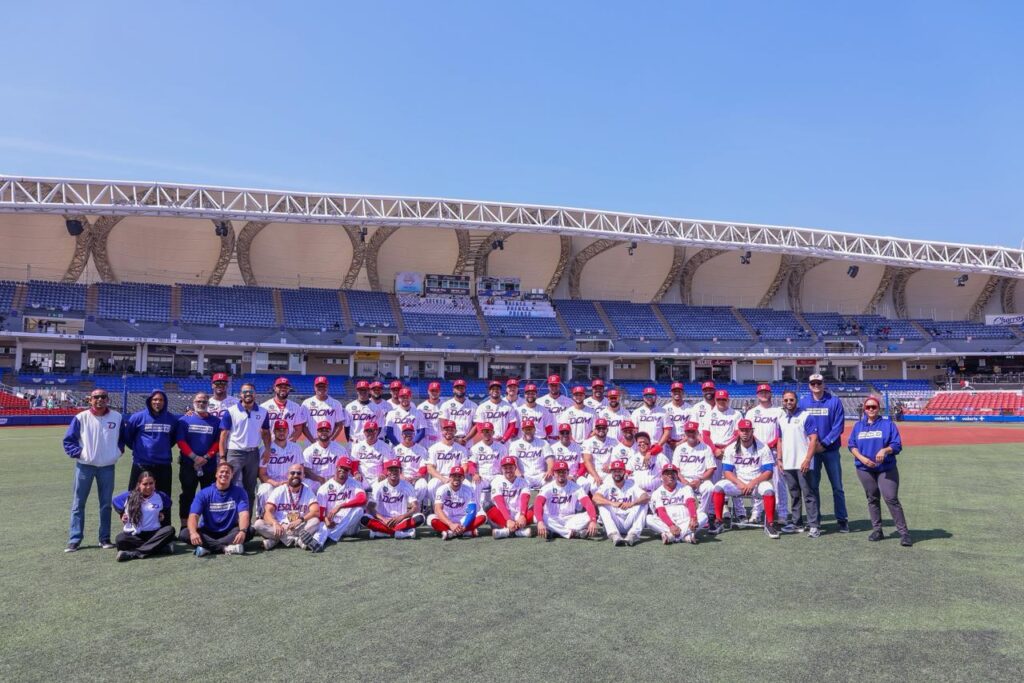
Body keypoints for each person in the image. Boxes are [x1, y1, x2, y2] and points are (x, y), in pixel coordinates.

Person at [62, 388, 125, 552]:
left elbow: (122, 439)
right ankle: (75, 539)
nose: (100, 399)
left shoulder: (117, 417)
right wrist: (81, 454)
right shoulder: (81, 417)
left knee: (105, 505)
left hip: (107, 467)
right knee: (78, 504)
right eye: (96, 397)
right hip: (85, 466)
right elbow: (68, 441)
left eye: (103, 397)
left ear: (107, 399)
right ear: (90, 400)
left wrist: (117, 453)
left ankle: (104, 538)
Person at [849, 396, 911, 546]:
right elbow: (852, 445)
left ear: (878, 409)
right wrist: (861, 458)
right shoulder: (858, 426)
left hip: (886, 468)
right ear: (864, 409)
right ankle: (877, 530)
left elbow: (897, 444)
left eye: (874, 407)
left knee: (891, 498)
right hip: (865, 468)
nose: (871, 409)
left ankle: (904, 533)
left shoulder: (887, 424)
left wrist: (885, 450)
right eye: (868, 407)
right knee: (872, 498)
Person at [710, 419, 780, 539]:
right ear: (738, 432)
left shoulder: (763, 447)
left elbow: (769, 472)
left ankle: (770, 524)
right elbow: (727, 472)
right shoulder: (731, 448)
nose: (745, 433)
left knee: (769, 490)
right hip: (739, 484)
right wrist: (739, 483)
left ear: (752, 431)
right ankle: (719, 521)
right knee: (718, 487)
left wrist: (753, 482)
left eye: (747, 430)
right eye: (742, 430)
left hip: (757, 483)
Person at [799, 373, 848, 533]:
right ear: (809, 385)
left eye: (819, 382)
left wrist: (825, 443)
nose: (816, 385)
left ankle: (842, 520)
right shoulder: (803, 402)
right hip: (811, 452)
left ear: (823, 384)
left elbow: (838, 426)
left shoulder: (834, 401)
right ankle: (815, 520)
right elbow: (800, 425)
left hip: (830, 451)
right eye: (813, 383)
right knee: (813, 487)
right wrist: (814, 447)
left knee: (837, 486)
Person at [123, 389, 177, 518]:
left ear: (165, 402)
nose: (157, 402)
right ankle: (133, 524)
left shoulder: (171, 419)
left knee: (163, 496)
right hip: (142, 464)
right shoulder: (138, 417)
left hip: (163, 464)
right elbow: (128, 437)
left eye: (161, 400)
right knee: (136, 495)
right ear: (150, 401)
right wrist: (139, 450)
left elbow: (173, 439)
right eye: (155, 400)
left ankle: (164, 527)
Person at [219, 383, 272, 511]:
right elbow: (223, 436)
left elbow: (265, 432)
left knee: (250, 487)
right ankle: (229, 519)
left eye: (251, 392)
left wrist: (267, 450)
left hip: (253, 453)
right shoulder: (231, 411)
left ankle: (246, 521)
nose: (248, 394)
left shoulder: (263, 412)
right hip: (235, 453)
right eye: (245, 392)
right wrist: (222, 457)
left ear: (255, 394)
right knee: (229, 485)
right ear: (240, 395)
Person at [181, 461, 250, 556]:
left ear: (232, 475)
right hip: (208, 532)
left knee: (249, 531)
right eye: (221, 472)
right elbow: (194, 515)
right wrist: (193, 533)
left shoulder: (240, 492)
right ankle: (224, 548)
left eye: (227, 472)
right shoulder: (204, 493)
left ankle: (208, 547)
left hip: (229, 531)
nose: (224, 474)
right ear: (216, 474)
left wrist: (242, 531)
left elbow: (243, 514)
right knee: (185, 533)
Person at [776, 390, 821, 536]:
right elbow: (780, 440)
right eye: (786, 400)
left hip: (803, 463)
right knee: (794, 494)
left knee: (808, 494)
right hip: (788, 464)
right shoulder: (781, 419)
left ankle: (814, 525)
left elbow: (813, 439)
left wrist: (807, 459)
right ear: (783, 401)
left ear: (796, 401)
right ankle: (797, 523)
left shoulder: (806, 416)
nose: (788, 402)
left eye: (791, 400)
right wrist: (780, 459)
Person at [175, 392, 221, 529]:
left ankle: (207, 525)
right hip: (189, 465)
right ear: (193, 402)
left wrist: (206, 457)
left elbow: (218, 442)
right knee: (187, 495)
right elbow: (181, 441)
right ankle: (185, 527)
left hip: (209, 465)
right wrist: (195, 458)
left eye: (204, 402)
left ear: (208, 403)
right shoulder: (184, 420)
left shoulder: (216, 421)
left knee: (209, 495)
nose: (201, 404)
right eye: (199, 401)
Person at [745, 384, 787, 525]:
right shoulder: (752, 412)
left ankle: (782, 513)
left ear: (770, 394)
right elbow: (749, 432)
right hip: (756, 451)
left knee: (779, 482)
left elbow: (781, 432)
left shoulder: (779, 411)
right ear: (757, 394)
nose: (763, 394)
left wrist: (771, 444)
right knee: (757, 481)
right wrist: (761, 446)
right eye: (761, 392)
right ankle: (756, 512)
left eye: (766, 392)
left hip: (775, 450)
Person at [111, 471, 175, 561]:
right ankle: (159, 548)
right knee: (120, 539)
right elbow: (115, 501)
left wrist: (161, 513)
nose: (148, 487)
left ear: (155, 483)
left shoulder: (161, 496)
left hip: (153, 534)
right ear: (139, 484)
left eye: (151, 483)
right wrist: (122, 514)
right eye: (145, 484)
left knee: (170, 530)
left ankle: (133, 554)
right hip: (134, 536)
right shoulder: (129, 496)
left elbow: (168, 504)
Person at [254, 465, 320, 550]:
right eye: (292, 473)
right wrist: (275, 523)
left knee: (315, 521)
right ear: (287, 475)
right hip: (281, 528)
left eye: (299, 473)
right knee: (258, 524)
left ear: (303, 476)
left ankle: (276, 540)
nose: (295, 475)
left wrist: (300, 520)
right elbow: (267, 511)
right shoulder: (279, 490)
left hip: (299, 527)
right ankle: (297, 541)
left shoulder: (307, 490)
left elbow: (316, 511)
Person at [311, 456, 368, 549]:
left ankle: (331, 537)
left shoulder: (354, 483)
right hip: (332, 522)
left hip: (350, 526)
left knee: (359, 510)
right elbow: (321, 513)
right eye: (341, 467)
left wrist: (341, 506)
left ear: (349, 471)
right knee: (323, 525)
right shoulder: (324, 488)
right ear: (336, 467)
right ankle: (316, 544)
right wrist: (326, 521)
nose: (343, 471)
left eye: (346, 469)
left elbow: (363, 499)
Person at [534, 461, 599, 540]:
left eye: (563, 472)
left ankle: (556, 532)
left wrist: (593, 521)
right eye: (558, 472)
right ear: (554, 473)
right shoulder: (547, 487)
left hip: (569, 519)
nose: (561, 474)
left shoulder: (576, 487)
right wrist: (540, 522)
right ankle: (573, 533)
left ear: (568, 473)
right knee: (538, 517)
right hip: (552, 518)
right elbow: (538, 503)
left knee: (589, 516)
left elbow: (588, 503)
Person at [363, 459, 425, 539]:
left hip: (400, 520)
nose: (393, 472)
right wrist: (384, 519)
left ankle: (383, 533)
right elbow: (370, 507)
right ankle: (399, 533)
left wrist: (402, 517)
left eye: (396, 470)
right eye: (391, 470)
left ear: (400, 472)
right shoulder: (378, 486)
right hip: (382, 520)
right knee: (364, 518)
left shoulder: (407, 486)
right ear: (387, 471)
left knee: (420, 518)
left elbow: (416, 507)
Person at [592, 459, 649, 546]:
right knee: (602, 506)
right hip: (616, 521)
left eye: (619, 471)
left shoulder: (631, 483)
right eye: (614, 471)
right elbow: (595, 498)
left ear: (624, 472)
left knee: (643, 504)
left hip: (630, 520)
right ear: (611, 473)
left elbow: (646, 496)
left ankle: (633, 535)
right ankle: (614, 535)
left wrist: (632, 503)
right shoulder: (607, 484)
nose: (617, 473)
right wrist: (611, 503)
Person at [647, 463, 707, 544]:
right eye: (667, 474)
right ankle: (686, 535)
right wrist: (671, 525)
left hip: (685, 520)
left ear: (677, 475)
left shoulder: (685, 488)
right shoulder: (657, 493)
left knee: (703, 516)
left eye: (673, 473)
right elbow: (661, 512)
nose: (670, 476)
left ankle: (672, 536)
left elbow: (690, 503)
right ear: (662, 476)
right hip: (667, 523)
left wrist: (693, 518)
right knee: (648, 519)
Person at [670, 421, 718, 516]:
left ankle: (701, 514)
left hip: (701, 479)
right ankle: (685, 514)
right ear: (685, 434)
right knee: (682, 490)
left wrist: (699, 479)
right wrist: (684, 481)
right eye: (688, 432)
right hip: (683, 479)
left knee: (709, 488)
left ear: (697, 433)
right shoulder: (679, 448)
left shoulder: (706, 448)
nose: (691, 434)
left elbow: (711, 469)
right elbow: (675, 469)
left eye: (693, 431)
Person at [257, 420, 304, 514]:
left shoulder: (296, 448)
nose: (281, 432)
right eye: (278, 430)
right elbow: (262, 474)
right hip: (272, 482)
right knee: (263, 491)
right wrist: (275, 483)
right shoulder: (265, 449)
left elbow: (301, 470)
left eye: (284, 430)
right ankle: (262, 516)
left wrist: (290, 482)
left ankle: (299, 517)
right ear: (273, 431)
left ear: (288, 431)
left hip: (291, 481)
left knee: (307, 486)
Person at [428, 465, 486, 540]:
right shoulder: (442, 489)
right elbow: (437, 509)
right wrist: (450, 524)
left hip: (462, 519)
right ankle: (466, 532)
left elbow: (472, 509)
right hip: (447, 518)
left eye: (459, 476)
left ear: (463, 478)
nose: (456, 478)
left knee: (483, 516)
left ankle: (450, 532)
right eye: (454, 476)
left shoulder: (468, 489)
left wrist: (465, 525)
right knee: (431, 519)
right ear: (450, 477)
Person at [484, 456, 533, 538]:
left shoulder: (523, 481)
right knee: (487, 505)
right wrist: (508, 520)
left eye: (511, 467)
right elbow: (499, 502)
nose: (508, 470)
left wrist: (522, 515)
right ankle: (518, 532)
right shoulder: (497, 481)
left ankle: (506, 532)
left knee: (535, 507)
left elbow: (525, 500)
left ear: (515, 468)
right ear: (501, 469)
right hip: (502, 516)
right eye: (505, 468)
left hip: (518, 515)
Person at [392, 424, 431, 510]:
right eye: (406, 433)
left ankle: (413, 506)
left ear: (414, 434)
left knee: (422, 485)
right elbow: (394, 467)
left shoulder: (421, 449)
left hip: (416, 477)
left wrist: (416, 477)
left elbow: (423, 467)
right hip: (401, 477)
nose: (408, 435)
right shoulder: (395, 450)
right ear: (402, 435)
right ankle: (404, 507)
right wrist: (401, 476)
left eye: (410, 433)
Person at [468, 422, 507, 505]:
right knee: (475, 483)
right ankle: (476, 510)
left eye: (489, 431)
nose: (487, 433)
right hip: (482, 476)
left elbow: (505, 464)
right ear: (481, 433)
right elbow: (471, 464)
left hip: (496, 475)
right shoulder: (475, 448)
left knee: (501, 482)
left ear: (493, 432)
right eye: (484, 431)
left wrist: (505, 475)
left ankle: (499, 510)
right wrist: (474, 474)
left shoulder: (501, 447)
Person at [302, 421, 348, 491]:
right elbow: (306, 471)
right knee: (306, 484)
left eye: (327, 430)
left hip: (335, 479)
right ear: (317, 433)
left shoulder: (340, 449)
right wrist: (320, 479)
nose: (324, 432)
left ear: (330, 432)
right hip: (316, 480)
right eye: (321, 430)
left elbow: (345, 467)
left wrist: (335, 478)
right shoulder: (309, 450)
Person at [302, 376, 349, 443]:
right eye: (319, 386)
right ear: (314, 387)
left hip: (330, 441)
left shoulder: (336, 403)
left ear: (327, 387)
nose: (321, 388)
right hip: (311, 441)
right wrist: (312, 441)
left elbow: (339, 425)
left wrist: (331, 440)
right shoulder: (306, 403)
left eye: (323, 386)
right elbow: (303, 426)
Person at [507, 419, 552, 489]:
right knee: (515, 484)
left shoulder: (544, 443)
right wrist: (518, 473)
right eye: (526, 429)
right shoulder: (515, 444)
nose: (528, 431)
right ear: (522, 430)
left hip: (541, 475)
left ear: (534, 430)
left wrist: (549, 471)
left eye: (530, 429)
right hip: (525, 476)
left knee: (553, 481)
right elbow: (513, 461)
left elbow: (550, 459)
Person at [260, 377, 308, 442]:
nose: (283, 389)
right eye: (280, 387)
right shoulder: (264, 407)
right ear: (274, 388)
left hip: (289, 445)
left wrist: (288, 443)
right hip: (269, 444)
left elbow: (298, 429)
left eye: (286, 387)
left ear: (289, 389)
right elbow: (261, 429)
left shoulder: (295, 407)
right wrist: (269, 442)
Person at [470, 380, 518, 444]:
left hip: (504, 441)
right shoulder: (482, 407)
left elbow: (512, 426)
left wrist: (504, 439)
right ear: (489, 391)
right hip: (487, 441)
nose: (495, 390)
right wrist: (487, 438)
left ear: (501, 391)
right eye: (493, 389)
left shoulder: (508, 407)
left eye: (497, 389)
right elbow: (479, 425)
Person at [581, 418, 619, 491]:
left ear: (607, 430)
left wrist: (611, 467)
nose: (601, 430)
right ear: (595, 430)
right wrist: (596, 476)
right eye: (599, 428)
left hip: (609, 472)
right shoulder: (587, 442)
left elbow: (618, 458)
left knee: (612, 488)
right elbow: (587, 461)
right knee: (594, 487)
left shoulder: (614, 441)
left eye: (603, 428)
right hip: (594, 471)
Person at [439, 379, 477, 445]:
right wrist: (455, 439)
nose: (460, 390)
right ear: (453, 390)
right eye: (457, 388)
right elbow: (442, 424)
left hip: (467, 441)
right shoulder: (446, 405)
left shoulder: (473, 405)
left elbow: (476, 425)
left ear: (465, 389)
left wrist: (466, 439)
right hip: (450, 439)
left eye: (462, 388)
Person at [658, 382, 691, 451]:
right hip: (668, 444)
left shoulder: (690, 409)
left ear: (683, 393)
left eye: (679, 391)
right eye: (674, 391)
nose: (677, 393)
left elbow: (692, 430)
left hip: (685, 442)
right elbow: (662, 429)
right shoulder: (665, 409)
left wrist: (680, 443)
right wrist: (670, 442)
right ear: (671, 393)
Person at [417, 381, 444, 447]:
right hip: (425, 441)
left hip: (440, 440)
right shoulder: (421, 407)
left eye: (436, 391)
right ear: (428, 391)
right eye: (432, 391)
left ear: (440, 392)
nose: (434, 393)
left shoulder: (444, 405)